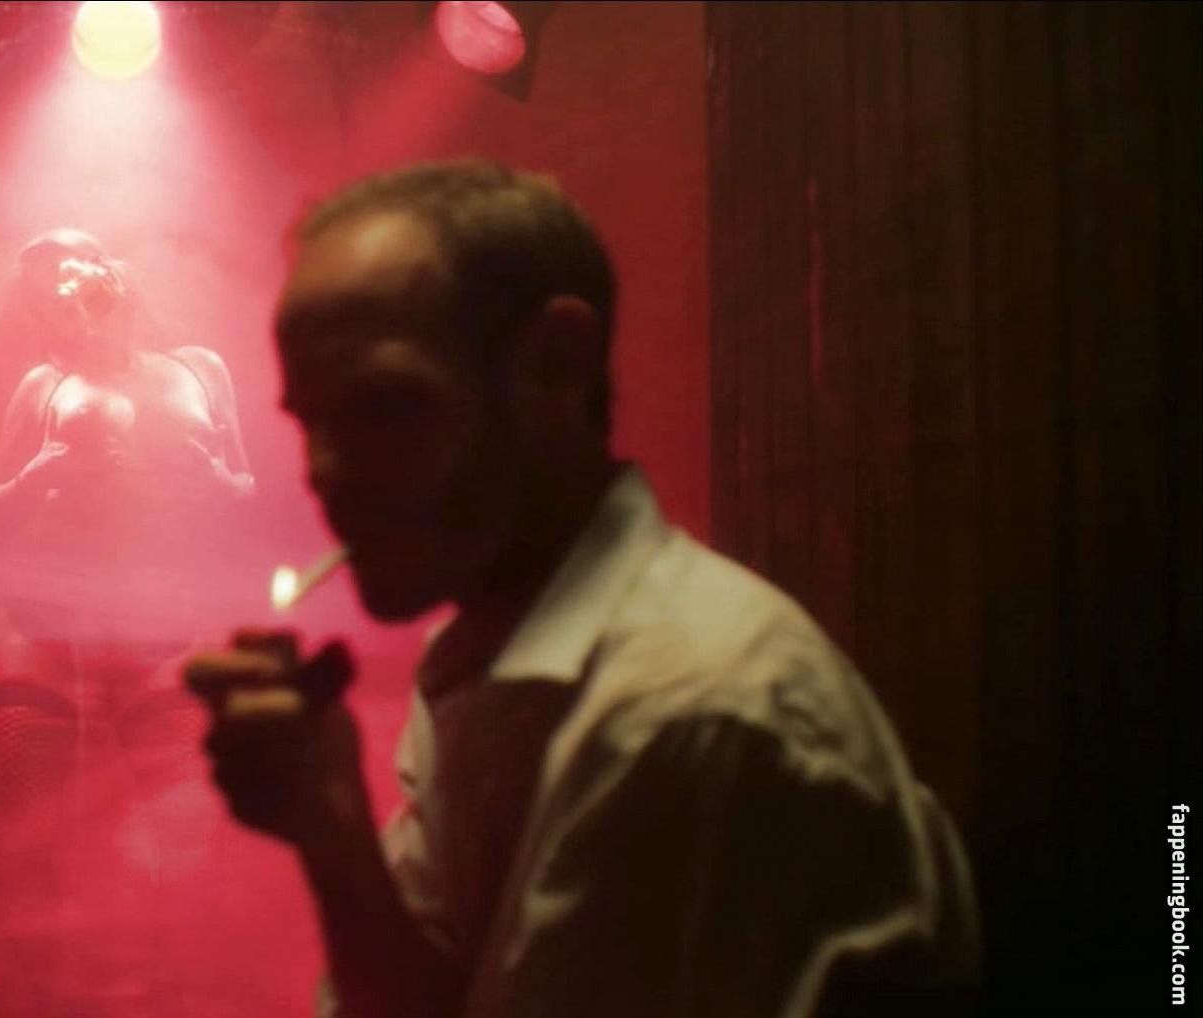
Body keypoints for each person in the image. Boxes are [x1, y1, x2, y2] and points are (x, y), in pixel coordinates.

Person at [185, 160, 979, 1018]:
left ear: (555, 367)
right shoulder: (490, 659)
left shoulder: (679, 717)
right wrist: (331, 830)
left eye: (383, 406)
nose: (322, 472)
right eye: (311, 420)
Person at [0, 227, 254, 1015]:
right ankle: (33, 1001)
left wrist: (216, 480)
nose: (71, 288)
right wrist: (33, 479)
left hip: (156, 621)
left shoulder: (199, 371)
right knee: (28, 837)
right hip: (43, 625)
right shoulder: (44, 385)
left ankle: (171, 1000)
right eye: (49, 287)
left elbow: (246, 489)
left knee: (183, 838)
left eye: (78, 267)